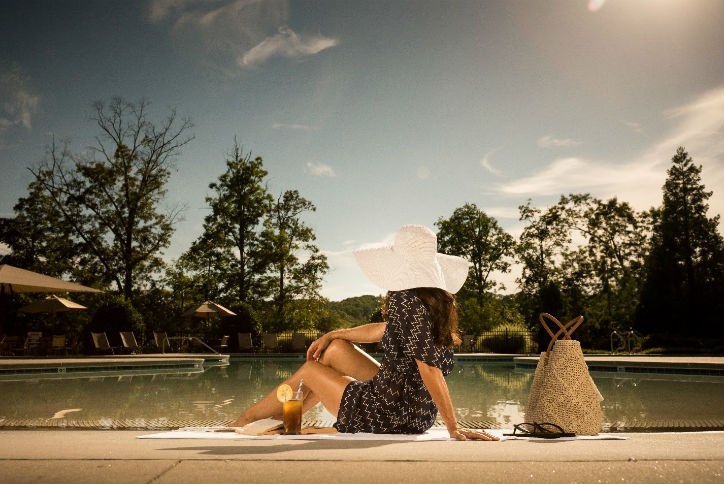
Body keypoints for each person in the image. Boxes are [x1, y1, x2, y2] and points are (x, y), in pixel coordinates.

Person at [229, 224, 498, 441]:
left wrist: (454, 428)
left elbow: (429, 367)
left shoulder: (405, 300)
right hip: (415, 410)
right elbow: (383, 331)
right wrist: (333, 333)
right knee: (334, 349)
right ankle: (283, 420)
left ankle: (248, 419)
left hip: (390, 414)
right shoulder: (436, 301)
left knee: (310, 370)